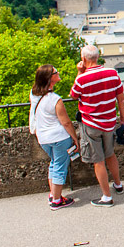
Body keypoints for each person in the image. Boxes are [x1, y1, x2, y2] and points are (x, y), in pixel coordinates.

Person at [70, 45, 124, 207]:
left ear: (83, 59)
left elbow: (73, 95)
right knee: (110, 155)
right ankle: (118, 184)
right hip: (110, 122)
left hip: (91, 124)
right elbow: (121, 99)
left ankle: (106, 197)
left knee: (98, 161)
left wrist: (79, 72)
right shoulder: (113, 74)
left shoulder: (82, 79)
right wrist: (123, 118)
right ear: (98, 57)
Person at [29, 65, 80, 210]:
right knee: (60, 167)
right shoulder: (55, 100)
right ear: (50, 78)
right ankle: (57, 200)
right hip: (59, 138)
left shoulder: (34, 94)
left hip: (43, 138)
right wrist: (74, 138)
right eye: (55, 72)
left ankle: (53, 194)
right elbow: (66, 122)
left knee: (54, 163)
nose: (58, 73)